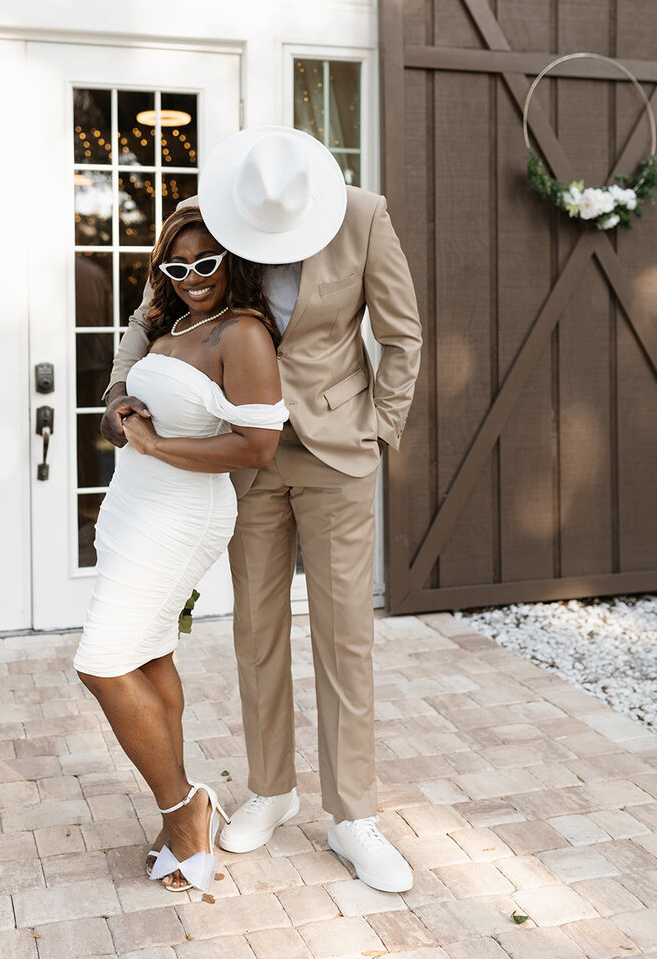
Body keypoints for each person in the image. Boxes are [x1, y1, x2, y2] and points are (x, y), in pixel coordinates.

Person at [101, 127, 422, 893]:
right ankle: (272, 789)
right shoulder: (199, 215)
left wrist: (377, 430)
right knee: (256, 629)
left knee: (345, 637)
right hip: (241, 459)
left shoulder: (364, 215)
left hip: (336, 455)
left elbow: (400, 335)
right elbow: (146, 316)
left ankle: (353, 816)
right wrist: (118, 393)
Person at [74, 204, 288, 895]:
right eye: (177, 267)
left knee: (103, 664)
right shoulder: (172, 323)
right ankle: (180, 812)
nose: (193, 278)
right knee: (147, 650)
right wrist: (122, 412)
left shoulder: (243, 333)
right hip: (132, 504)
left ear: (231, 263)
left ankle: (184, 810)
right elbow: (125, 391)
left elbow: (257, 446)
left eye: (206, 264)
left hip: (180, 513)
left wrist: (158, 443)